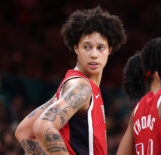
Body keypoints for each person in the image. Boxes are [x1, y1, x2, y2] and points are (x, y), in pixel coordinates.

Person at [15, 6, 127, 155]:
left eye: (100, 48)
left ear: (109, 50)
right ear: (76, 48)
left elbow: (24, 131)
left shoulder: (70, 86)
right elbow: (43, 125)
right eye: (87, 47)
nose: (94, 54)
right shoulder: (81, 88)